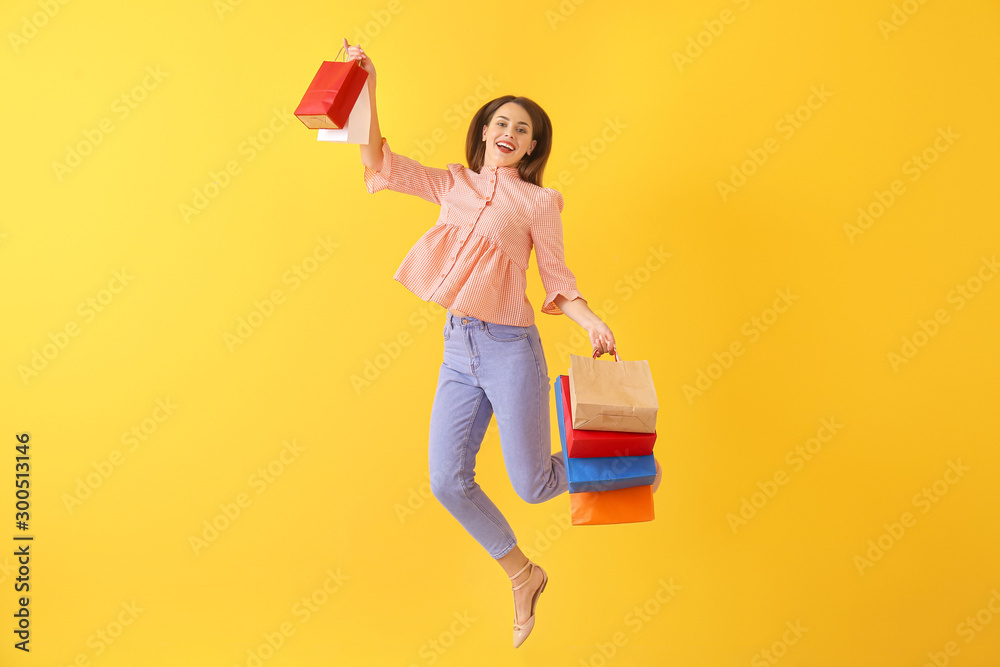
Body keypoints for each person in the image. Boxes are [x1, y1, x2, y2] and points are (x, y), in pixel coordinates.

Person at [345, 39, 661, 648]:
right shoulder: (452, 185)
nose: (510, 133)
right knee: (446, 481)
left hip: (512, 349)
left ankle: (638, 467)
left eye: (524, 129)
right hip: (458, 349)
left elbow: (559, 281)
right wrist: (366, 85)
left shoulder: (540, 202)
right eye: (501, 123)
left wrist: (590, 319)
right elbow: (378, 159)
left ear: (533, 145)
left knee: (534, 484)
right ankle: (523, 574)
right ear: (484, 132)